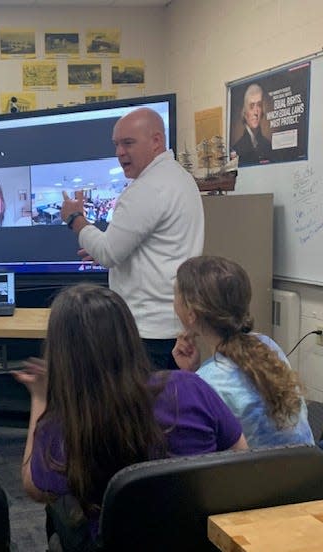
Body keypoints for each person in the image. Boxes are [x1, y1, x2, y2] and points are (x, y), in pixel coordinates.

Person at [13, 284, 246, 546]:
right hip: (198, 541)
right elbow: (240, 456)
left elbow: (34, 486)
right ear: (130, 334)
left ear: (60, 353)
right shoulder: (191, 387)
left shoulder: (64, 424)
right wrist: (185, 378)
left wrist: (40, 398)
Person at [60, 108, 204, 370]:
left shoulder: (147, 188)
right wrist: (113, 250)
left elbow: (107, 253)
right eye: (116, 144)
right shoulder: (180, 178)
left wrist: (75, 219)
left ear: (157, 141)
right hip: (172, 329)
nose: (119, 153)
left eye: (128, 143)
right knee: (169, 407)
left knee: (144, 409)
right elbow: (154, 247)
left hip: (148, 335)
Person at [173, 256, 314, 448]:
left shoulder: (205, 382)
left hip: (259, 477)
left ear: (191, 314)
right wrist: (190, 374)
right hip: (308, 469)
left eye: (175, 295)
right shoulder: (267, 345)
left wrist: (189, 378)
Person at [231, 83, 272, 165]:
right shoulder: (236, 149)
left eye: (259, 105)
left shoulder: (268, 145)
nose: (256, 112)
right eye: (251, 106)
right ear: (245, 112)